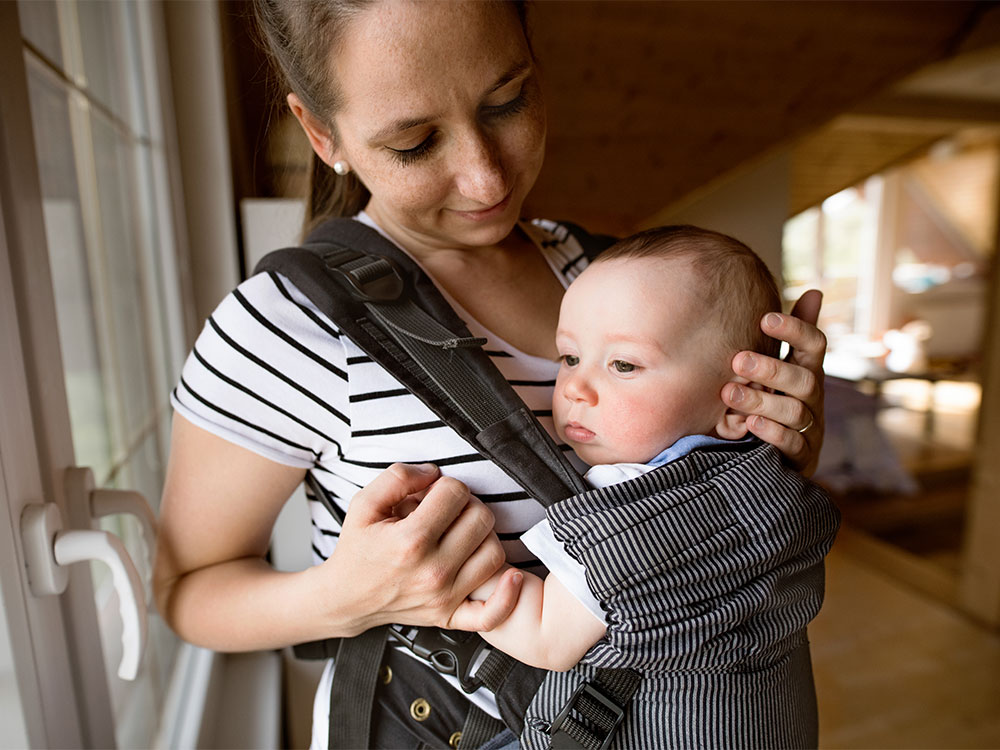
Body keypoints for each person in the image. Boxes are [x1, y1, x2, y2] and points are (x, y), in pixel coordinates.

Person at [153, 2, 830, 748]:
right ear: (322, 134)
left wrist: (773, 442)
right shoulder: (286, 325)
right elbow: (187, 592)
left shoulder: (616, 271)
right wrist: (346, 598)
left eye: (507, 100)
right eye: (414, 143)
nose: (485, 177)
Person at [451, 225, 840, 748]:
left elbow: (547, 639)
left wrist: (452, 582)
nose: (576, 388)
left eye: (624, 364)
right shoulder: (772, 478)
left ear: (738, 404)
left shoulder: (636, 507)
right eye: (569, 358)